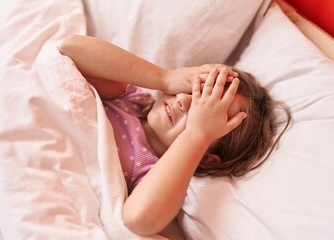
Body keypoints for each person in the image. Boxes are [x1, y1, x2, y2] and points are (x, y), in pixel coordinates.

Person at [59, 35, 291, 237]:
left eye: (203, 110)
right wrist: (164, 78)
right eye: (195, 88)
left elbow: (139, 219)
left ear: (207, 155)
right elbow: (70, 49)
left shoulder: (155, 175)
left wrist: (197, 133)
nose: (184, 100)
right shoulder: (128, 100)